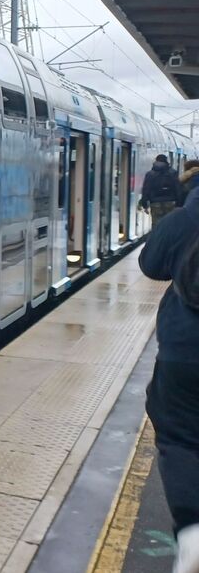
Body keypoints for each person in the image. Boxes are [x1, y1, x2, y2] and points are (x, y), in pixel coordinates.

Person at [139, 186, 199, 573]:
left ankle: (193, 535)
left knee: (179, 441)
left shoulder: (186, 217)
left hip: (186, 353)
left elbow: (150, 264)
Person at [141, 154, 182, 227]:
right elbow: (177, 188)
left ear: (156, 161)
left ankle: (157, 237)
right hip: (170, 202)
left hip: (155, 203)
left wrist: (145, 205)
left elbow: (146, 189)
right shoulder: (173, 173)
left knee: (157, 225)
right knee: (170, 224)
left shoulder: (150, 174)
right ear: (166, 161)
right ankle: (169, 238)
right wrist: (179, 204)